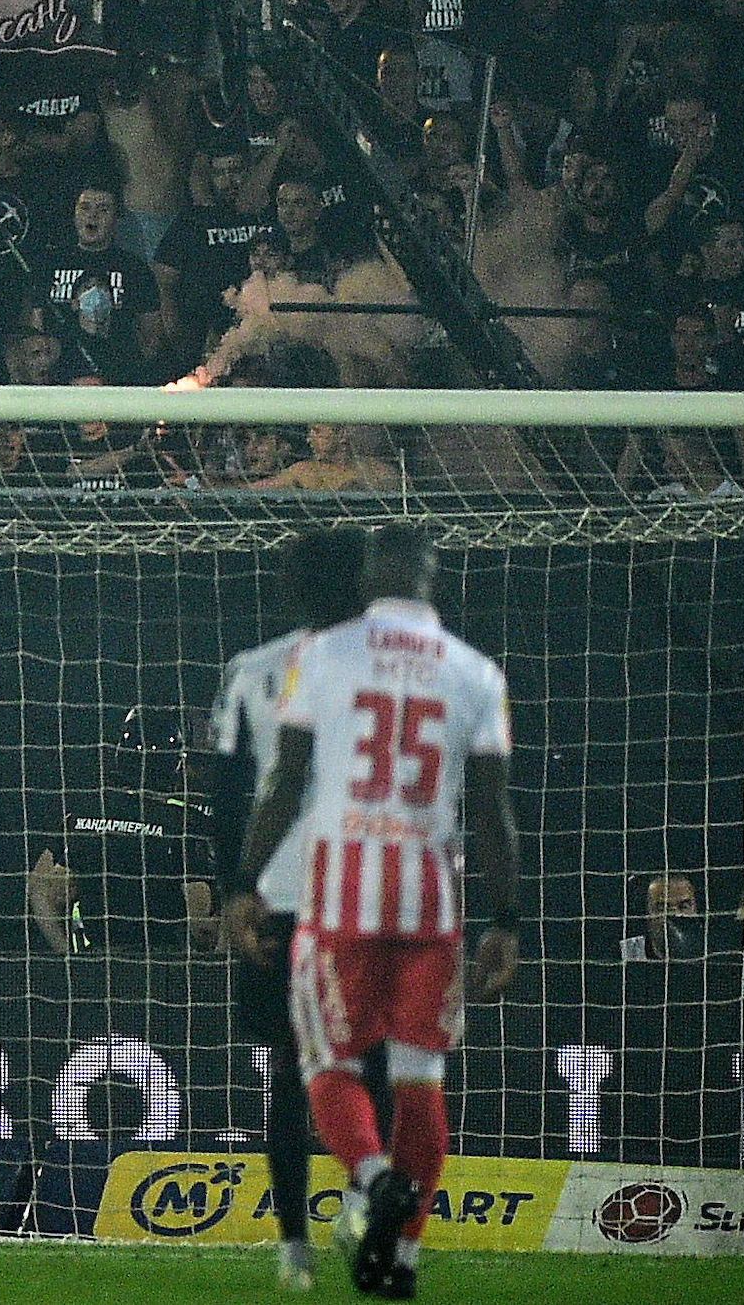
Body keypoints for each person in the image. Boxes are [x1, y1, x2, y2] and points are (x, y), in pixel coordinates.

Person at [230, 527, 521, 1304]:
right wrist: (510, 918)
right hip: (434, 904)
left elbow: (286, 782)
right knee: (421, 1082)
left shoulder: (321, 657)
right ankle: (402, 1260)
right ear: (433, 580)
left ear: (369, 578)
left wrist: (243, 880)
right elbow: (491, 810)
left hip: (339, 902)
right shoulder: (476, 672)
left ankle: (373, 1177)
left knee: (328, 1063)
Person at [191, 530, 375, 1293]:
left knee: (295, 1078)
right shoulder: (407, 675)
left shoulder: (255, 671)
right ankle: (350, 1206)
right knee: (366, 1062)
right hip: (361, 900)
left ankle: (297, 1244)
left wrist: (233, 888)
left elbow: (226, 797)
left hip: (287, 900)